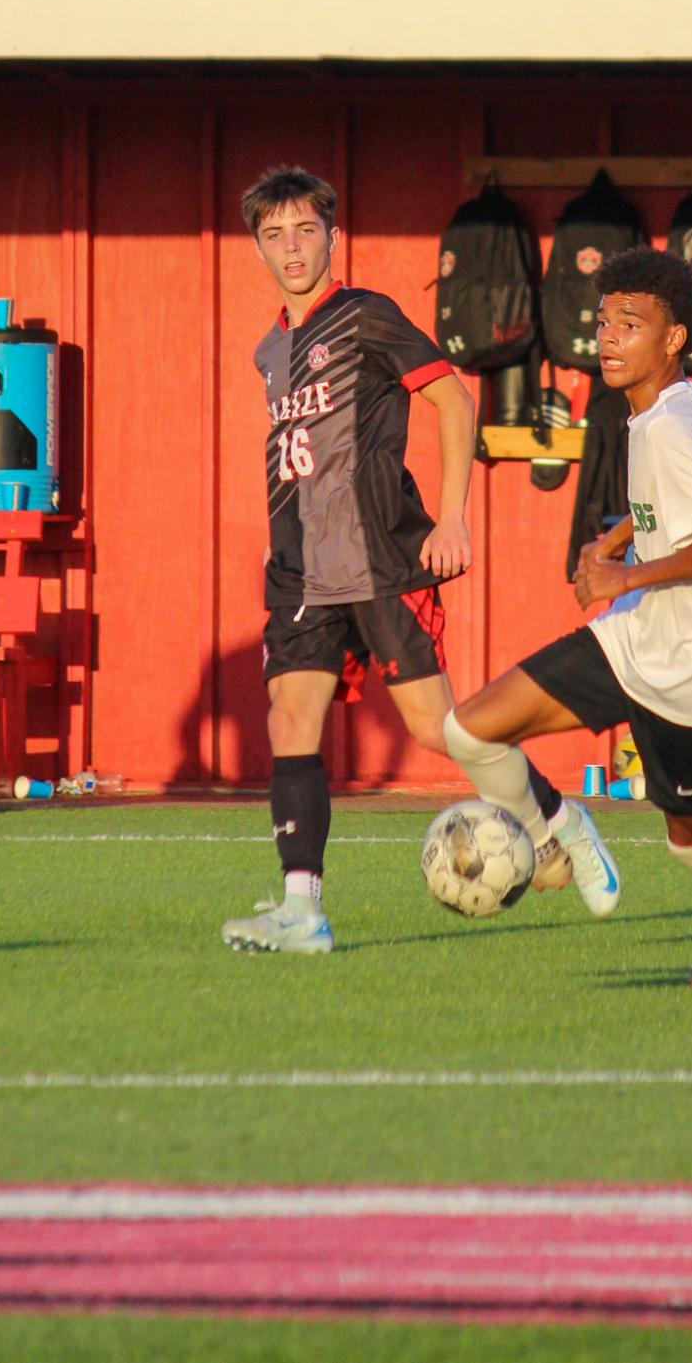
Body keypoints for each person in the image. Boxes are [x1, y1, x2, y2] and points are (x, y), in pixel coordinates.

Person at [221, 165, 587, 956]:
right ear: (256, 246)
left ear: (332, 236)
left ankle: (552, 817)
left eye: (305, 231)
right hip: (299, 572)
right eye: (274, 234)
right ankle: (301, 909)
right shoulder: (267, 350)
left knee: (436, 728)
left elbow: (452, 398)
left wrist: (451, 515)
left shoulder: (364, 316)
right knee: (290, 718)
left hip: (380, 558)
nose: (291, 247)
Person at [444, 248, 692, 989]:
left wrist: (623, 573)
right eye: (603, 320)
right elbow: (677, 512)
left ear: (673, 339)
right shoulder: (657, 411)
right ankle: (559, 830)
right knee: (470, 727)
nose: (607, 336)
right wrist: (617, 536)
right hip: (640, 637)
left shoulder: (674, 422)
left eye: (630, 322)